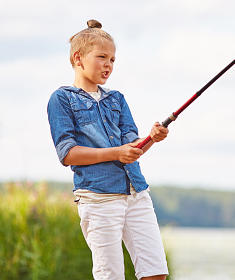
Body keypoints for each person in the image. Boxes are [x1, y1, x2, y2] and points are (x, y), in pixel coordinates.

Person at [47, 19, 169, 280]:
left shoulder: (117, 99)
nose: (109, 64)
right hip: (99, 198)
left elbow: (132, 148)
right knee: (110, 275)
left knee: (155, 273)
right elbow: (67, 154)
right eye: (102, 56)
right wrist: (116, 153)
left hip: (137, 192)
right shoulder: (62, 98)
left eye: (113, 59)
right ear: (78, 58)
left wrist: (152, 137)